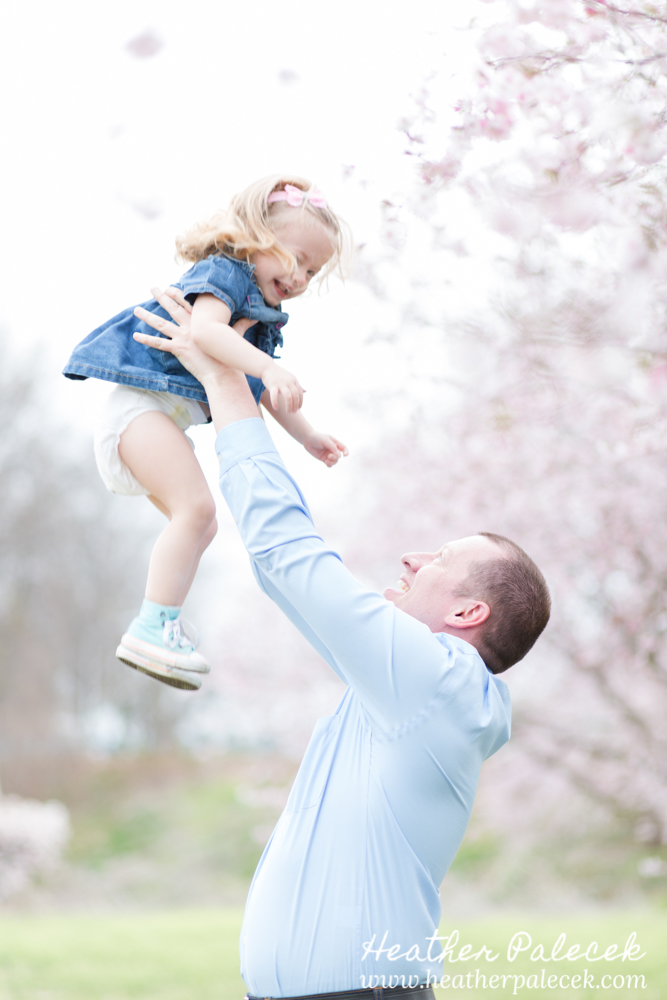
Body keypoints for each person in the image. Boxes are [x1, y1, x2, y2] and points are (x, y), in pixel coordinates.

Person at [133, 288, 551, 1000]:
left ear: (469, 610)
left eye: (441, 558)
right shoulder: (412, 692)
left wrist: (227, 382)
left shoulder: (435, 680)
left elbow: (287, 553)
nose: (415, 560)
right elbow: (290, 574)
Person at [62, 176, 350, 691]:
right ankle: (152, 626)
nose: (302, 276)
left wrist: (306, 435)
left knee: (202, 523)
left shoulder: (261, 311)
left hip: (158, 420)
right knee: (196, 511)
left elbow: (256, 383)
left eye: (314, 269)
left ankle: (162, 620)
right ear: (256, 236)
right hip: (138, 411)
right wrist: (270, 366)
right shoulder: (226, 273)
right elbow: (205, 333)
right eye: (297, 257)